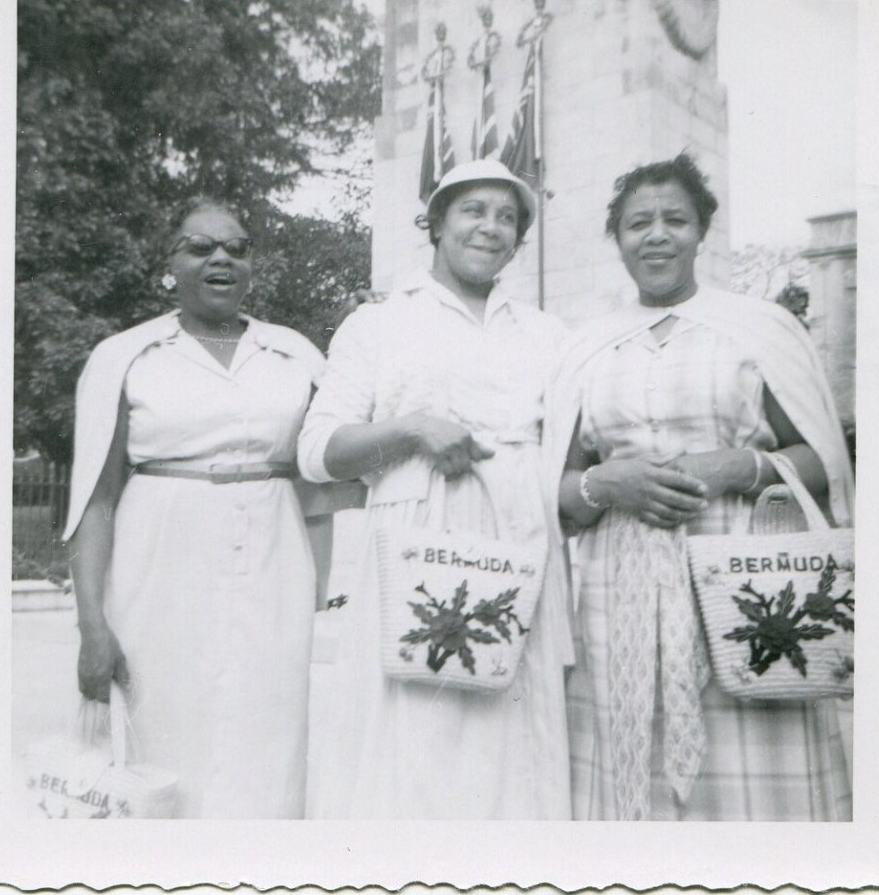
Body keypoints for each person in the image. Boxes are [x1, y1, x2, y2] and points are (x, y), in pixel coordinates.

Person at [547, 153, 854, 821]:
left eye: (673, 219)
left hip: (742, 581)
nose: (656, 234)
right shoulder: (588, 346)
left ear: (700, 231)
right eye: (637, 223)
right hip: (616, 592)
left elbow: (821, 463)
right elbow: (560, 490)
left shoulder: (757, 329)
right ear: (618, 239)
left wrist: (737, 466)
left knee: (747, 780)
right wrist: (605, 481)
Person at [297, 159, 573, 819]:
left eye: (508, 217)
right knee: (415, 734)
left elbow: (572, 450)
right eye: (474, 210)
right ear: (437, 221)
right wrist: (413, 429)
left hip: (517, 537)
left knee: (510, 733)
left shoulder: (546, 334)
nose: (491, 228)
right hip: (414, 539)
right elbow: (317, 452)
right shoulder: (380, 323)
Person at [63, 199, 324, 818]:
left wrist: (327, 594)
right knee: (166, 734)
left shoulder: (295, 354)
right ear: (169, 263)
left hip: (273, 564)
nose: (221, 259)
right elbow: (96, 500)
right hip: (159, 568)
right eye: (200, 246)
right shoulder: (124, 356)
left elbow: (326, 475)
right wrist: (92, 624)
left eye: (237, 248)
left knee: (269, 738)